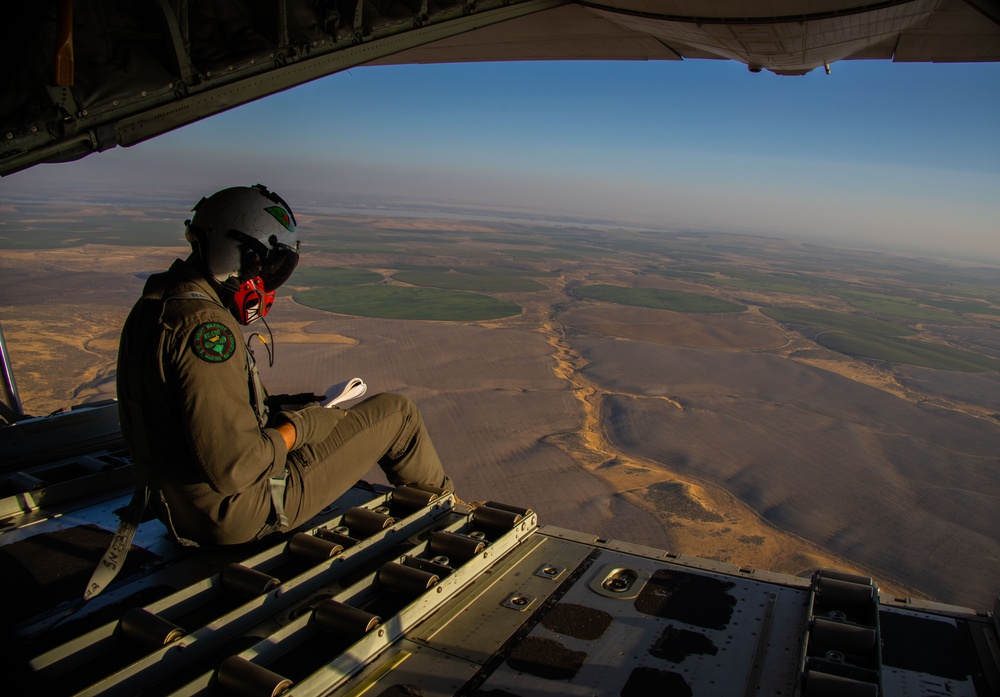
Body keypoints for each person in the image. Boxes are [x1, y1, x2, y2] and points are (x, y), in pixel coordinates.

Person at [115, 184, 453, 548]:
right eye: (267, 268)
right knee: (398, 414)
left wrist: (294, 408)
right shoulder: (207, 330)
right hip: (238, 513)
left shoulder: (157, 306)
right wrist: (304, 426)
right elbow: (236, 470)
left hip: (181, 508)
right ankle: (449, 521)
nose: (264, 284)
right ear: (239, 254)